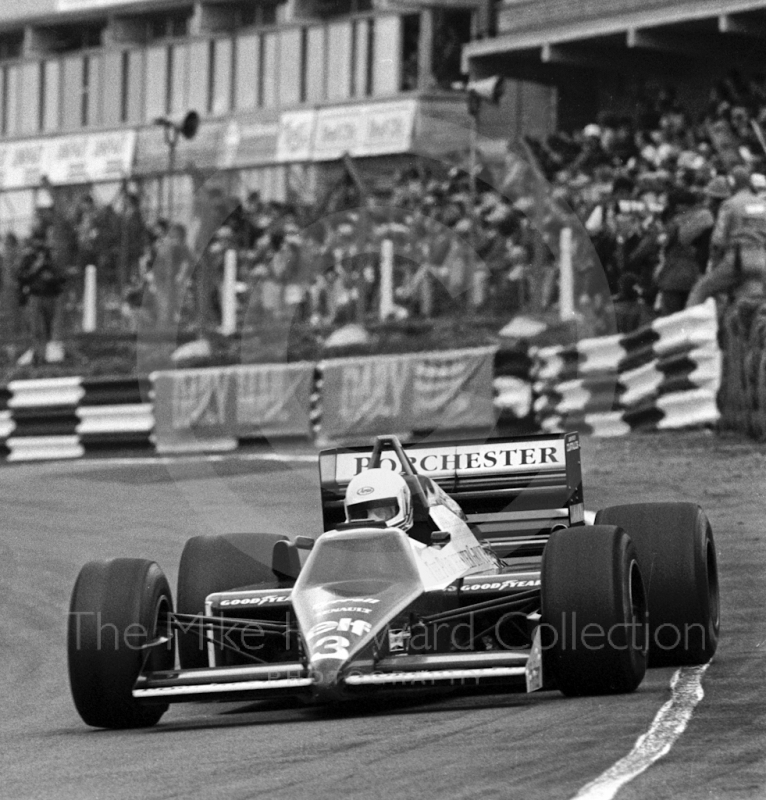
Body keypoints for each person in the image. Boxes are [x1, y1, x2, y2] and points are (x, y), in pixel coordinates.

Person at [687, 165, 766, 305]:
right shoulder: (762, 205)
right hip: (762, 260)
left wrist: (714, 264)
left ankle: (691, 327)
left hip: (738, 259)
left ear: (732, 183)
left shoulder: (730, 204)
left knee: (700, 290)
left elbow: (718, 240)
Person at [343, 469, 413, 532]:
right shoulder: (340, 544)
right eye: (362, 515)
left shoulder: (415, 546)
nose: (372, 519)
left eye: (380, 512)